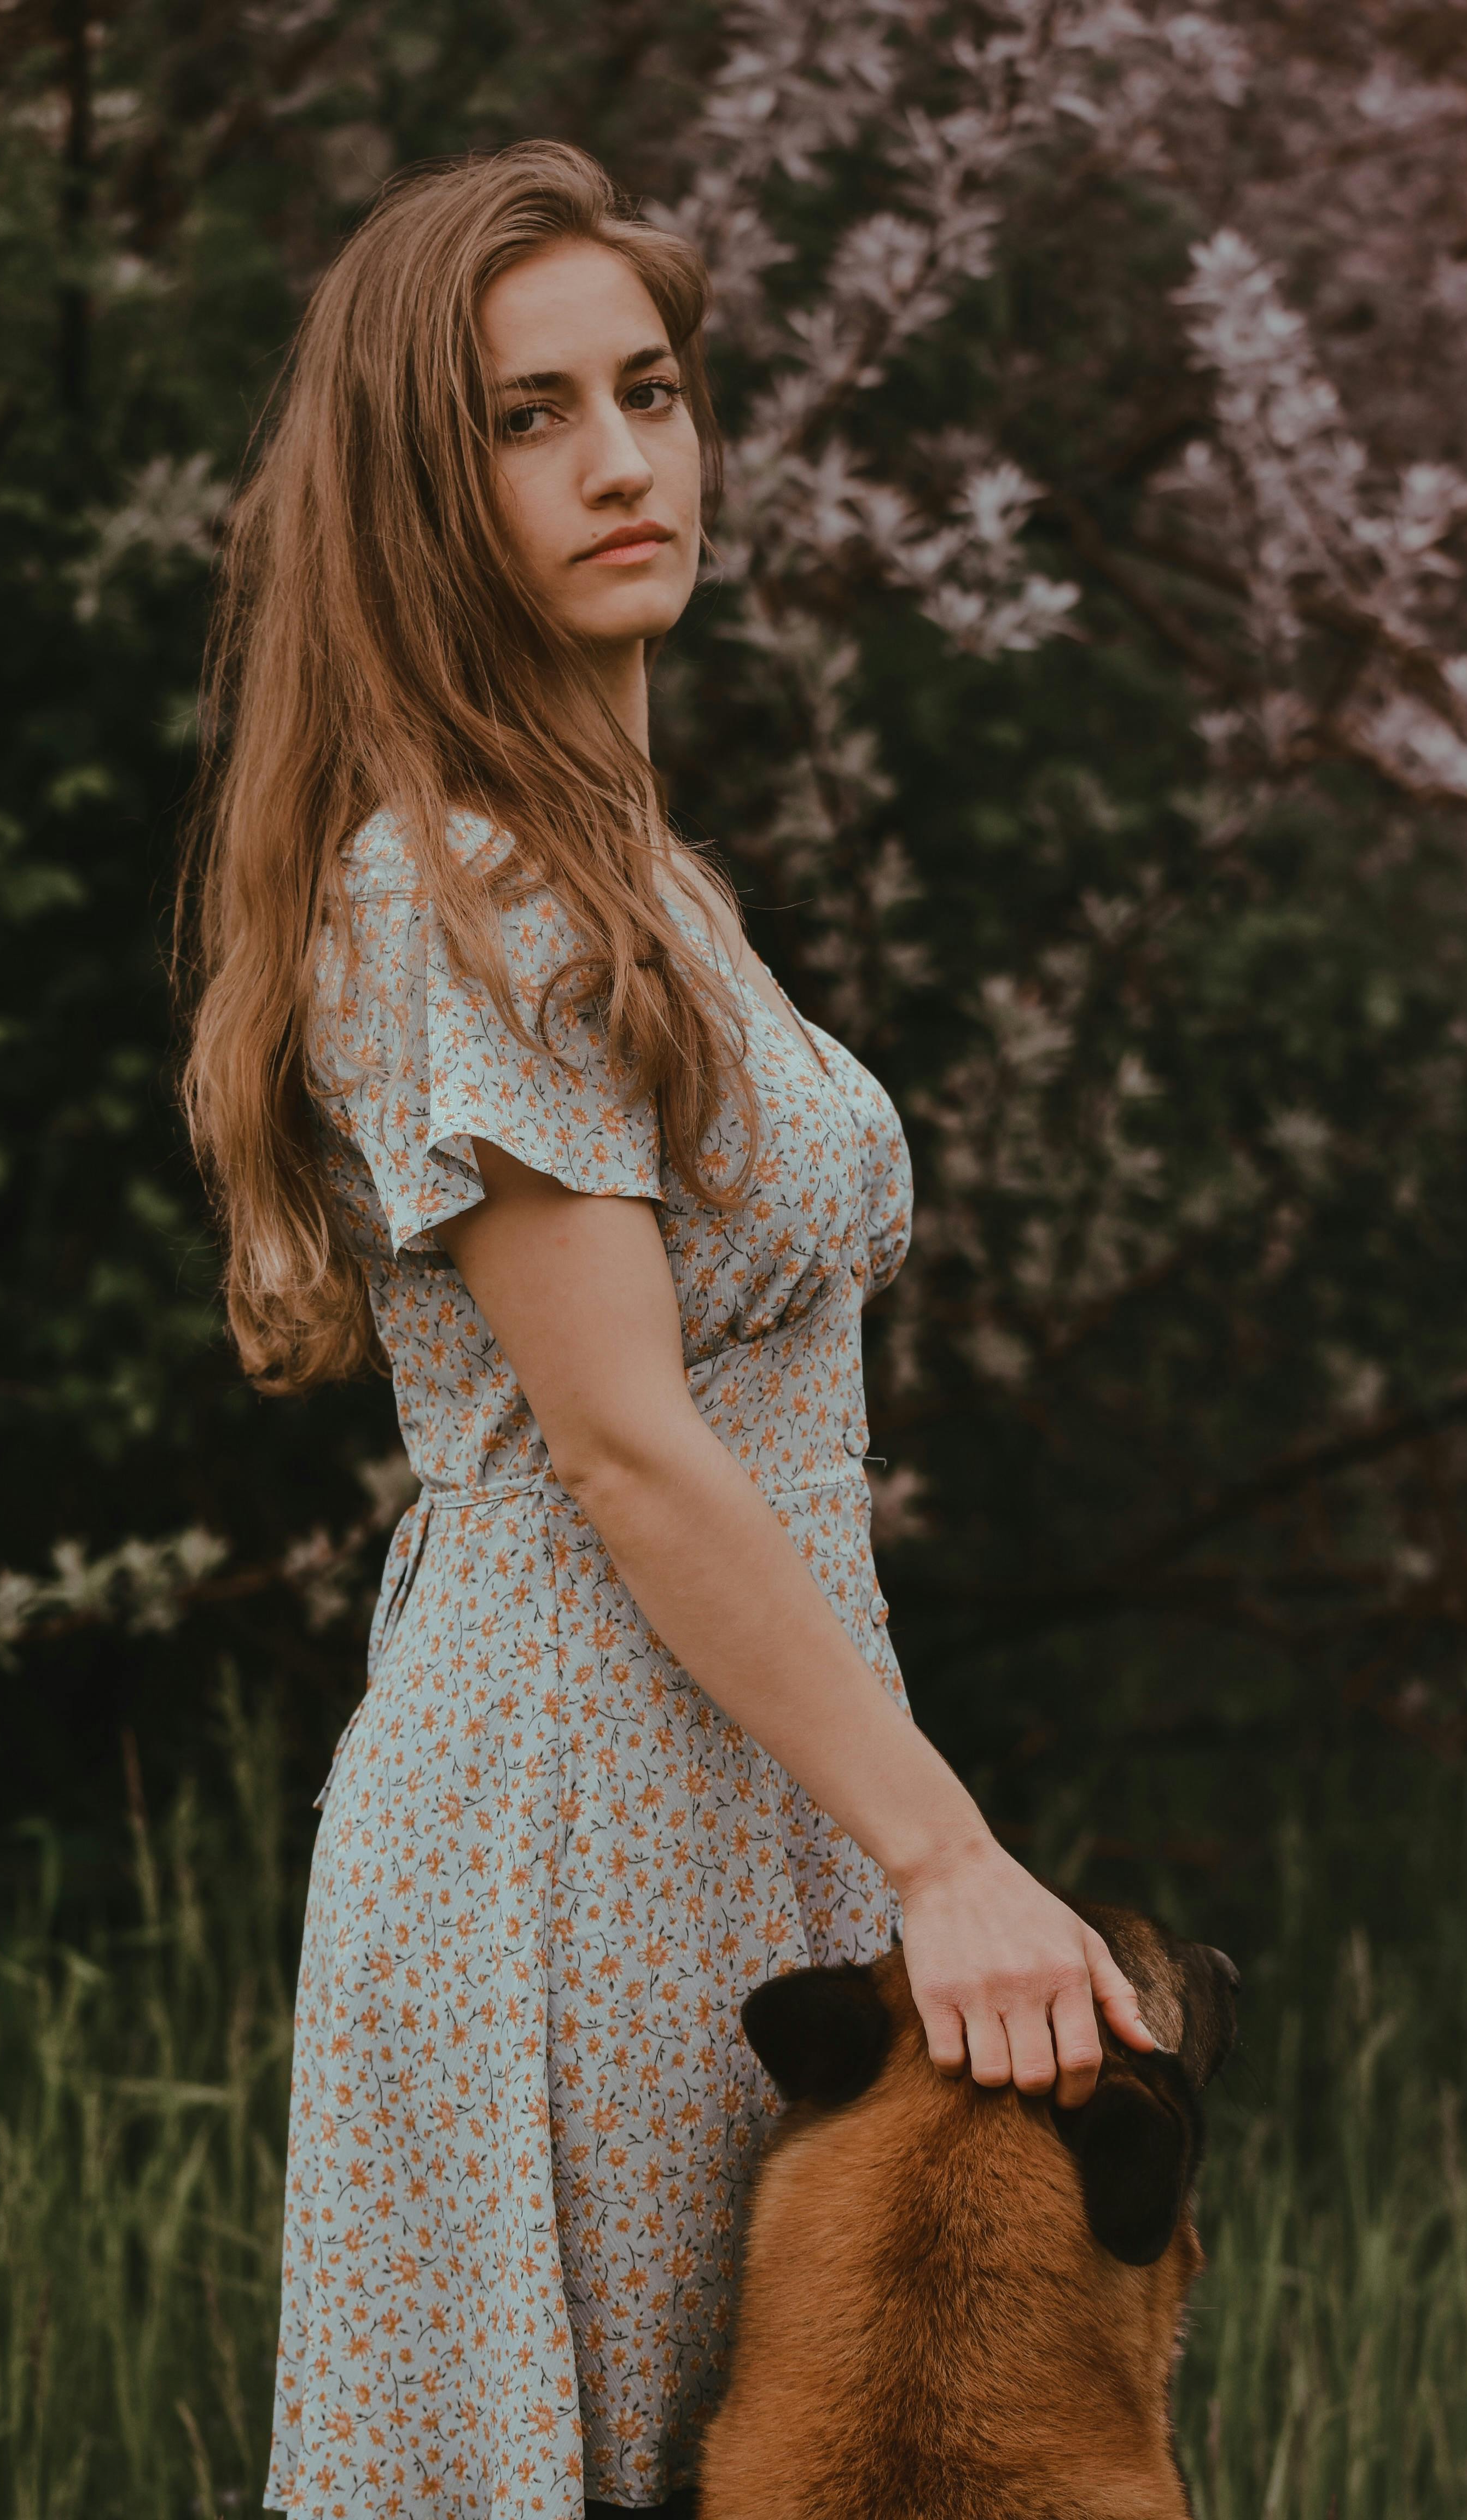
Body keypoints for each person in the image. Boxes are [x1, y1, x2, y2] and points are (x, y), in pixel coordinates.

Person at [182, 139, 1155, 2520]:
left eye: (652, 389)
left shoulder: (631, 872)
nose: (626, 462)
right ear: (424, 488)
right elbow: (619, 1441)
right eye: (531, 417)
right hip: (566, 1818)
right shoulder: (455, 884)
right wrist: (947, 1862)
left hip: (756, 1781)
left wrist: (883, 1838)